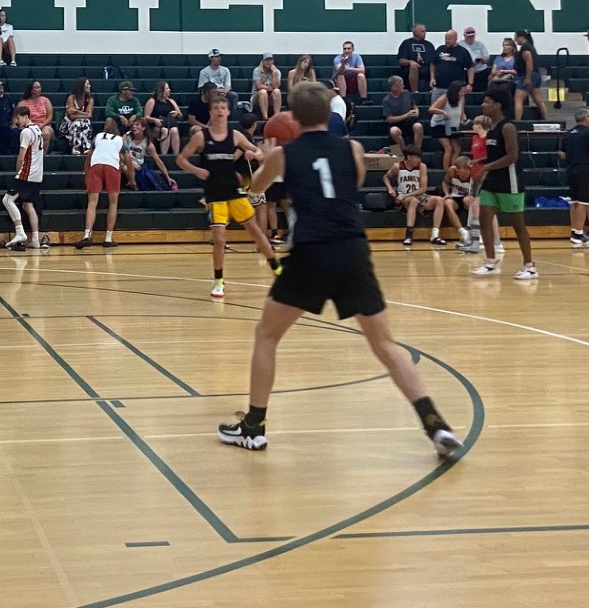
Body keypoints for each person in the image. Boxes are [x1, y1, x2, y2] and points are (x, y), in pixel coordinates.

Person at [218, 80, 463, 459]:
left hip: (310, 252)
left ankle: (254, 426)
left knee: (267, 335)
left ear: (294, 118)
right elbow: (354, 182)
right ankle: (436, 424)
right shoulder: (353, 149)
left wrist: (267, 156)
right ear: (328, 114)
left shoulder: (284, 154)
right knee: (385, 345)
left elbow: (256, 190)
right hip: (352, 251)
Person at [177, 94, 278, 298]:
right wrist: (195, 170)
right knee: (219, 240)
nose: (220, 111)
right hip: (215, 195)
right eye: (216, 108)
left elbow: (257, 152)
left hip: (235, 193)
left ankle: (278, 270)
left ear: (228, 112)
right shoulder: (201, 137)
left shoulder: (236, 136)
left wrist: (256, 154)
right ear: (211, 112)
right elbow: (181, 159)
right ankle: (218, 281)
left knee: (257, 234)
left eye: (223, 108)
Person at [472, 89, 536, 280]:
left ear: (498, 105)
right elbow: (495, 154)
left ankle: (530, 266)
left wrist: (485, 167)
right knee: (484, 219)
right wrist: (479, 162)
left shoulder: (508, 127)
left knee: (517, 224)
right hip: (492, 181)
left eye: (487, 102)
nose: (483, 105)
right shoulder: (492, 127)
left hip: (510, 181)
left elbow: (512, 156)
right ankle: (490, 262)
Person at [77, 117, 130, 250]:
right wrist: (132, 179)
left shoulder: (98, 137)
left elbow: (89, 157)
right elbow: (128, 161)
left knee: (92, 202)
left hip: (96, 165)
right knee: (113, 202)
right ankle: (108, 238)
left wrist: (86, 174)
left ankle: (87, 235)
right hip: (112, 166)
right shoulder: (121, 140)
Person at [0, 107, 47, 251]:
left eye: (18, 118)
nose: (16, 121)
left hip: (27, 173)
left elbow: (22, 156)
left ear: (25, 116)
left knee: (7, 200)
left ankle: (20, 231)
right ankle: (35, 239)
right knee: (28, 205)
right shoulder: (38, 129)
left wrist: (18, 172)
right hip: (37, 174)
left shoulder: (26, 132)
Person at [562, 107, 589, 248]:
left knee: (574, 201)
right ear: (586, 118)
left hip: (571, 170)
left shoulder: (568, 134)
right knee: (583, 202)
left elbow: (562, 153)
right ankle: (578, 233)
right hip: (584, 170)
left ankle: (574, 230)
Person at [383, 150, 433, 248]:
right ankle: (409, 234)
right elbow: (385, 177)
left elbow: (423, 189)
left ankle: (435, 234)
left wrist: (407, 195)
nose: (419, 160)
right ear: (409, 157)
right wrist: (390, 188)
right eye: (417, 157)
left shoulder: (422, 167)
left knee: (439, 200)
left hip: (416, 195)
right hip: (403, 198)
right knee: (413, 200)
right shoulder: (397, 166)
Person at [124, 116, 176, 191]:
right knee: (126, 168)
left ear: (143, 128)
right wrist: (131, 163)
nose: (134, 127)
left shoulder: (148, 143)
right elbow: (120, 154)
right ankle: (134, 185)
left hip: (138, 165)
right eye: (133, 125)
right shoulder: (126, 137)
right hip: (125, 162)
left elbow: (158, 161)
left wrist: (167, 177)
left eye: (137, 125)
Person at [427, 80, 468, 169]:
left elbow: (461, 112)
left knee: (457, 149)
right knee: (448, 148)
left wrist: (463, 118)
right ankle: (446, 170)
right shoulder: (445, 98)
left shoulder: (462, 98)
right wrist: (442, 111)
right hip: (440, 125)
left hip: (451, 125)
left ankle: (453, 168)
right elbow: (431, 109)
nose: (462, 93)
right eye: (461, 91)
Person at [514, 31, 550, 122]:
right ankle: (546, 120)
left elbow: (529, 63)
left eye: (516, 37)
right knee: (538, 100)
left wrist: (528, 78)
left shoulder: (525, 48)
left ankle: (517, 122)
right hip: (536, 75)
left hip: (528, 75)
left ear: (520, 37)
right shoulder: (530, 46)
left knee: (518, 99)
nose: (515, 40)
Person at [444, 157, 479, 250]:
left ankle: (476, 232)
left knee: (468, 201)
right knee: (447, 202)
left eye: (459, 168)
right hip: (455, 197)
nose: (457, 170)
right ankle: (463, 232)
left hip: (468, 198)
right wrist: (446, 193)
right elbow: (445, 182)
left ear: (468, 169)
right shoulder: (452, 171)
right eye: (456, 168)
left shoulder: (474, 175)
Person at [382, 75, 422, 156]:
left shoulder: (406, 93)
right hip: (397, 123)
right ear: (393, 87)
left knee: (418, 126)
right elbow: (390, 119)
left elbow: (414, 105)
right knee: (394, 131)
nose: (403, 86)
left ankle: (417, 152)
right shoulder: (387, 100)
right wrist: (406, 115)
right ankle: (404, 153)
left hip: (410, 122)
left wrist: (416, 111)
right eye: (400, 85)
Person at [144, 80, 184, 156]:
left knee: (174, 130)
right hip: (156, 126)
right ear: (161, 90)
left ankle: (176, 155)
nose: (169, 90)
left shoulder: (171, 101)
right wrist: (154, 120)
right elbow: (146, 117)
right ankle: (164, 155)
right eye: (167, 88)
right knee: (165, 131)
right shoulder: (152, 101)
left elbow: (180, 115)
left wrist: (177, 113)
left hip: (170, 124)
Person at [431, 29, 473, 95]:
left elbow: (470, 68)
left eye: (449, 39)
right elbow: (433, 64)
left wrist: (470, 84)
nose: (447, 41)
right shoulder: (440, 49)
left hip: (456, 88)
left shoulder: (463, 51)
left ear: (456, 39)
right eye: (446, 39)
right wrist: (432, 78)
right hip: (438, 87)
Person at [396, 24, 434, 95]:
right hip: (410, 70)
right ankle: (415, 92)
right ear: (415, 32)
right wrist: (410, 62)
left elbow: (432, 62)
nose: (425, 33)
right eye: (423, 31)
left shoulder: (429, 45)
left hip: (426, 69)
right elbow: (401, 60)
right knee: (414, 67)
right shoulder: (406, 43)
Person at [62, 78, 96, 157]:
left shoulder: (90, 99)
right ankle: (77, 147)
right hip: (69, 125)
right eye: (87, 84)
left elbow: (89, 115)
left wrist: (76, 111)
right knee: (77, 123)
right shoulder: (71, 98)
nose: (90, 86)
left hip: (83, 124)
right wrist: (84, 114)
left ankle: (86, 147)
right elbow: (71, 117)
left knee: (85, 122)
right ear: (82, 86)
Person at [252, 54, 283, 122]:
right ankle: (265, 117)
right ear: (262, 61)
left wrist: (274, 73)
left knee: (277, 91)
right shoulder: (257, 70)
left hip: (271, 96)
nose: (268, 62)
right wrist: (269, 88)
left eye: (270, 60)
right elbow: (259, 86)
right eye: (266, 60)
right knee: (263, 92)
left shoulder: (277, 71)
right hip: (257, 95)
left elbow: (276, 86)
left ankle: (277, 116)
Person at [462, 26, 491, 93]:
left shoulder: (480, 44)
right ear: (464, 36)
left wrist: (483, 59)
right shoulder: (460, 45)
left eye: (472, 36)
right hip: (466, 71)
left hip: (480, 71)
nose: (471, 38)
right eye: (469, 37)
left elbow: (486, 57)